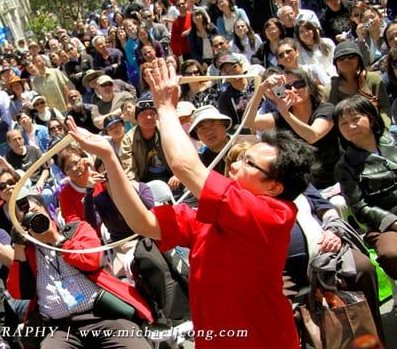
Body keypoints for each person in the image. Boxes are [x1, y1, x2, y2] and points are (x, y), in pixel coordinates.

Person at [67, 57, 317, 348]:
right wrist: (110, 161)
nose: (235, 165)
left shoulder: (271, 215)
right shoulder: (215, 215)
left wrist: (164, 107)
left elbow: (185, 167)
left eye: (249, 163)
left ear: (274, 186)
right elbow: (143, 223)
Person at [7, 196, 153, 349]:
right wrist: (18, 246)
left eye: (36, 212)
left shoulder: (77, 230)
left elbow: (92, 260)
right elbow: (18, 293)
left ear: (45, 210)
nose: (34, 220)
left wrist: (57, 239)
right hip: (61, 328)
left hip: (103, 316)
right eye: (26, 219)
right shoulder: (27, 252)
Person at [333, 95, 397, 280]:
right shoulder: (345, 166)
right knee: (391, 254)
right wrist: (393, 223)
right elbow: (360, 207)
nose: (351, 126)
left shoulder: (393, 141)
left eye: (356, 119)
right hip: (384, 224)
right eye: (343, 123)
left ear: (371, 117)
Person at [244, 68, 340, 189]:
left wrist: (285, 113)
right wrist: (261, 89)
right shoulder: (282, 116)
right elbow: (248, 122)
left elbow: (312, 136)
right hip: (300, 185)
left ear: (309, 88)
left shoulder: (326, 109)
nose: (293, 90)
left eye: (299, 84)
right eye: (287, 87)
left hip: (330, 182)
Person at [328, 40, 392, 127]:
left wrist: (384, 128)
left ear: (359, 60)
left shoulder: (373, 79)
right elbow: (331, 118)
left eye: (351, 56)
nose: (346, 60)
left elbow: (384, 107)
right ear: (336, 64)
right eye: (341, 58)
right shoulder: (330, 88)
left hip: (376, 129)